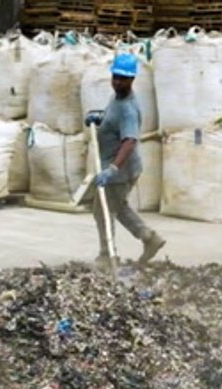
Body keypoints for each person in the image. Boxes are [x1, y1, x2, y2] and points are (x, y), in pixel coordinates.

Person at [85, 53, 166, 267]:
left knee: (102, 211)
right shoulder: (117, 98)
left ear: (132, 79)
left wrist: (112, 169)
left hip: (120, 170)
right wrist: (100, 118)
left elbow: (129, 141)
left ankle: (106, 255)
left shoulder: (128, 107)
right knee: (119, 207)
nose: (118, 82)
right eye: (115, 77)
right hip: (119, 168)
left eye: (123, 78)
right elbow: (113, 119)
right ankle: (150, 238)